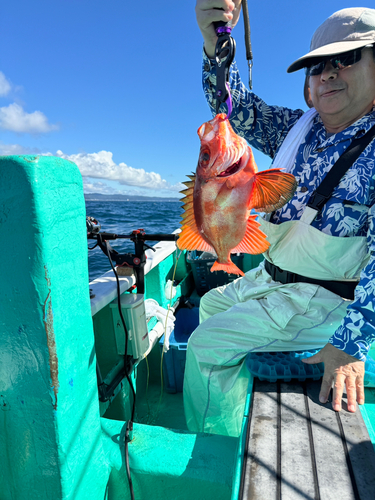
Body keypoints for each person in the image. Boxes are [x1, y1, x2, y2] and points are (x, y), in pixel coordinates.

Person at [183, 2, 375, 437]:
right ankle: (232, 402)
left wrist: (350, 347)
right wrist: (215, 38)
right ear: (309, 87)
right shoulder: (296, 129)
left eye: (346, 59)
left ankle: (215, 443)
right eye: (316, 67)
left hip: (320, 301)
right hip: (271, 280)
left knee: (204, 345)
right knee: (210, 305)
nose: (328, 73)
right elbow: (231, 107)